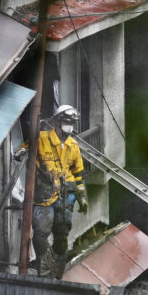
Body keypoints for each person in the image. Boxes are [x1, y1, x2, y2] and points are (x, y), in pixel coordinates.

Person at [17, 105, 88, 278]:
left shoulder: (73, 145)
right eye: (66, 122)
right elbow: (23, 149)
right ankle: (46, 271)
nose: (69, 126)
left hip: (66, 193)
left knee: (62, 235)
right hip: (45, 192)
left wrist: (82, 197)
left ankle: (57, 274)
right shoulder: (41, 138)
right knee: (40, 233)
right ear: (57, 121)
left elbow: (78, 174)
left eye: (71, 123)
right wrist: (21, 151)